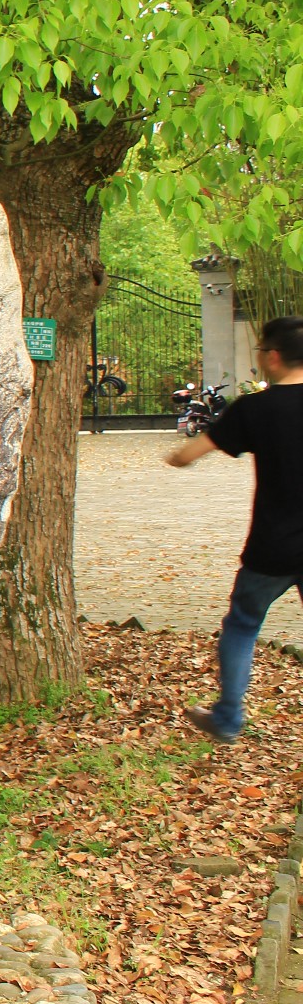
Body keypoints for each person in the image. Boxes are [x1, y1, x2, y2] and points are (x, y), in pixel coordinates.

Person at [165, 315, 303, 743]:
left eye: (261, 351)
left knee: (243, 624)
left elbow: (189, 454)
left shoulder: (255, 409)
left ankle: (227, 718)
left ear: (273, 357)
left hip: (272, 547)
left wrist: (174, 457)